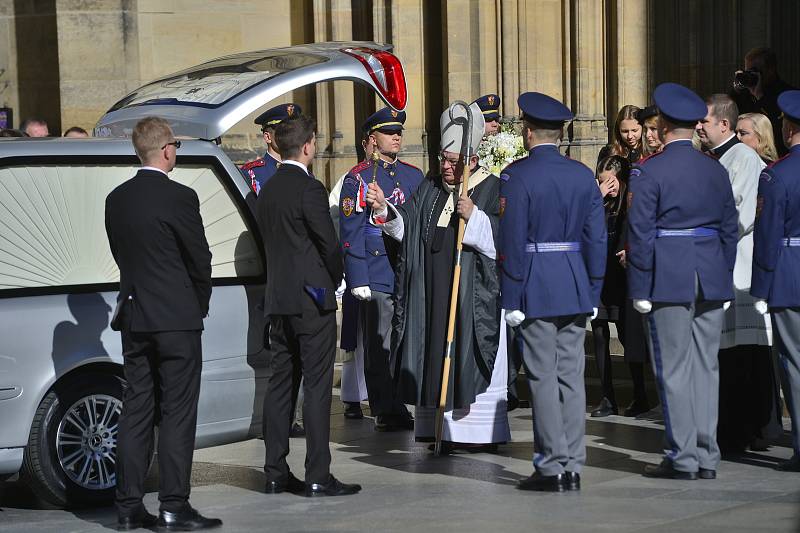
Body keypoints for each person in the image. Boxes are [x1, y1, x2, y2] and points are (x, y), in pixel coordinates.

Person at [367, 102, 510, 452]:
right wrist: (385, 210)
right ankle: (437, 426)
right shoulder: (430, 188)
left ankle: (472, 432)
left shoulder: (491, 188)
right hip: (433, 295)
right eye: (442, 159)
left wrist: (474, 216)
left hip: (469, 297)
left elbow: (503, 241)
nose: (445, 167)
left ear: (471, 160)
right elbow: (409, 228)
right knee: (430, 352)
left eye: (453, 162)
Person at [105, 117, 220, 530]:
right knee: (176, 414)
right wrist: (198, 304)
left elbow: (123, 256)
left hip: (136, 317)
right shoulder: (180, 197)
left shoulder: (116, 199)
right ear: (167, 149)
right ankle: (173, 504)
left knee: (136, 412)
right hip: (176, 320)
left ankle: (127, 506)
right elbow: (199, 260)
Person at [628, 83, 738, 480]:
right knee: (706, 368)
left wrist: (640, 287)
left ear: (664, 124)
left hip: (668, 277)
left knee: (673, 369)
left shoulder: (649, 170)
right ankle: (707, 455)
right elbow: (730, 227)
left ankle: (683, 456)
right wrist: (723, 277)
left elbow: (639, 233)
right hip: (710, 275)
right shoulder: (714, 167)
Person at [500, 92, 607, 492]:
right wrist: (593, 290)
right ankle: (573, 464)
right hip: (575, 282)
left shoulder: (518, 175)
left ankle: (550, 464)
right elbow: (595, 239)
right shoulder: (582, 175)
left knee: (542, 377)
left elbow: (511, 241)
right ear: (559, 134)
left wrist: (511, 297)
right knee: (571, 377)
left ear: (528, 132)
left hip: (536, 284)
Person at [256, 114, 361, 496]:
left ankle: (274, 471)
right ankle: (318, 474)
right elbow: (329, 245)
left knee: (281, 385)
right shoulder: (309, 188)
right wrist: (333, 281)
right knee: (316, 388)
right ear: (307, 146)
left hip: (278, 301)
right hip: (310, 300)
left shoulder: (265, 190)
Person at [696, 94, 781, 454]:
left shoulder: (743, 158)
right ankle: (733, 428)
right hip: (721, 262)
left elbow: (742, 214)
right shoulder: (717, 158)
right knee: (729, 354)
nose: (699, 126)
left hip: (740, 266)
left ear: (724, 125)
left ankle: (744, 431)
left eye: (705, 121)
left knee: (742, 354)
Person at [339, 107, 424, 431]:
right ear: (372, 139)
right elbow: (351, 231)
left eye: (399, 131)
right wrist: (357, 275)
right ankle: (385, 408)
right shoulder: (357, 178)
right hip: (376, 268)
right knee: (379, 344)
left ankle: (401, 400)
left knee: (403, 341)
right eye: (390, 132)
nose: (397, 136)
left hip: (404, 266)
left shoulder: (413, 175)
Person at [751, 89, 800, 472]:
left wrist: (762, 287)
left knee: (795, 364)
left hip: (790, 275)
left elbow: (767, 238)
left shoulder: (777, 175)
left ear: (788, 127)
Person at [589, 155, 651, 418]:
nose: (607, 186)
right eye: (602, 181)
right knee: (600, 336)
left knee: (628, 336)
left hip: (623, 278)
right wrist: (597, 195)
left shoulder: (630, 201)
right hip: (601, 278)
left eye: (609, 181)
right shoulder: (598, 201)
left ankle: (641, 394)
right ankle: (607, 397)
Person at [329, 131, 377, 420]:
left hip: (383, 263)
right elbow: (337, 216)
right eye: (373, 141)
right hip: (357, 260)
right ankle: (352, 397)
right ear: (365, 144)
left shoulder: (398, 177)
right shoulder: (350, 179)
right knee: (355, 335)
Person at [731, 47, 796, 157]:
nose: (750, 75)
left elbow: (777, 128)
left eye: (754, 71)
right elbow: (730, 113)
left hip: (776, 155)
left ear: (770, 70)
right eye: (748, 71)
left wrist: (760, 97)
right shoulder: (745, 93)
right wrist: (737, 88)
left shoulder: (787, 95)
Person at [240, 103, 302, 194]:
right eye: (284, 131)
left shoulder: (304, 173)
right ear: (268, 137)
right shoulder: (251, 174)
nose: (291, 136)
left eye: (294, 130)